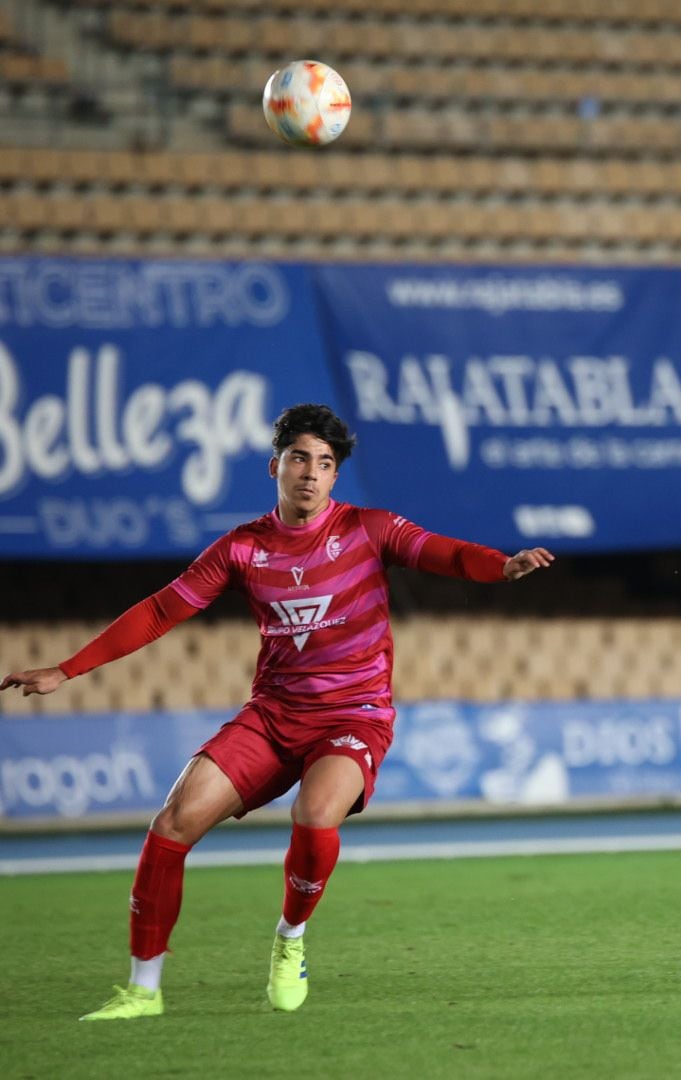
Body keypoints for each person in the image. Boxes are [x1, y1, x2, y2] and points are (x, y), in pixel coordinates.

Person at [1, 404, 553, 1020]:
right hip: (273, 715)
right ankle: (142, 991)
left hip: (354, 714)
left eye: (324, 463)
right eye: (299, 459)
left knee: (316, 814)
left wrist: (498, 565)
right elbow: (161, 611)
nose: (311, 474)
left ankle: (290, 939)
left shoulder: (369, 529)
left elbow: (442, 554)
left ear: (335, 477)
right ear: (275, 467)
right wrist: (66, 669)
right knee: (172, 823)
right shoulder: (242, 548)